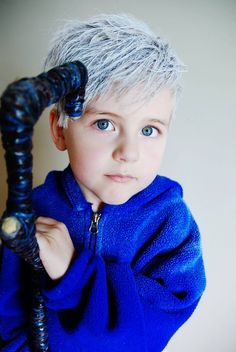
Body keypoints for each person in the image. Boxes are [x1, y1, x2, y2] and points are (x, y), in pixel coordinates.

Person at [0, 13, 206, 352]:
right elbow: (10, 322)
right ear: (59, 129)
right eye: (105, 125)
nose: (129, 152)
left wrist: (74, 272)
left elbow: (149, 330)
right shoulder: (32, 213)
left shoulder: (169, 220)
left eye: (149, 130)